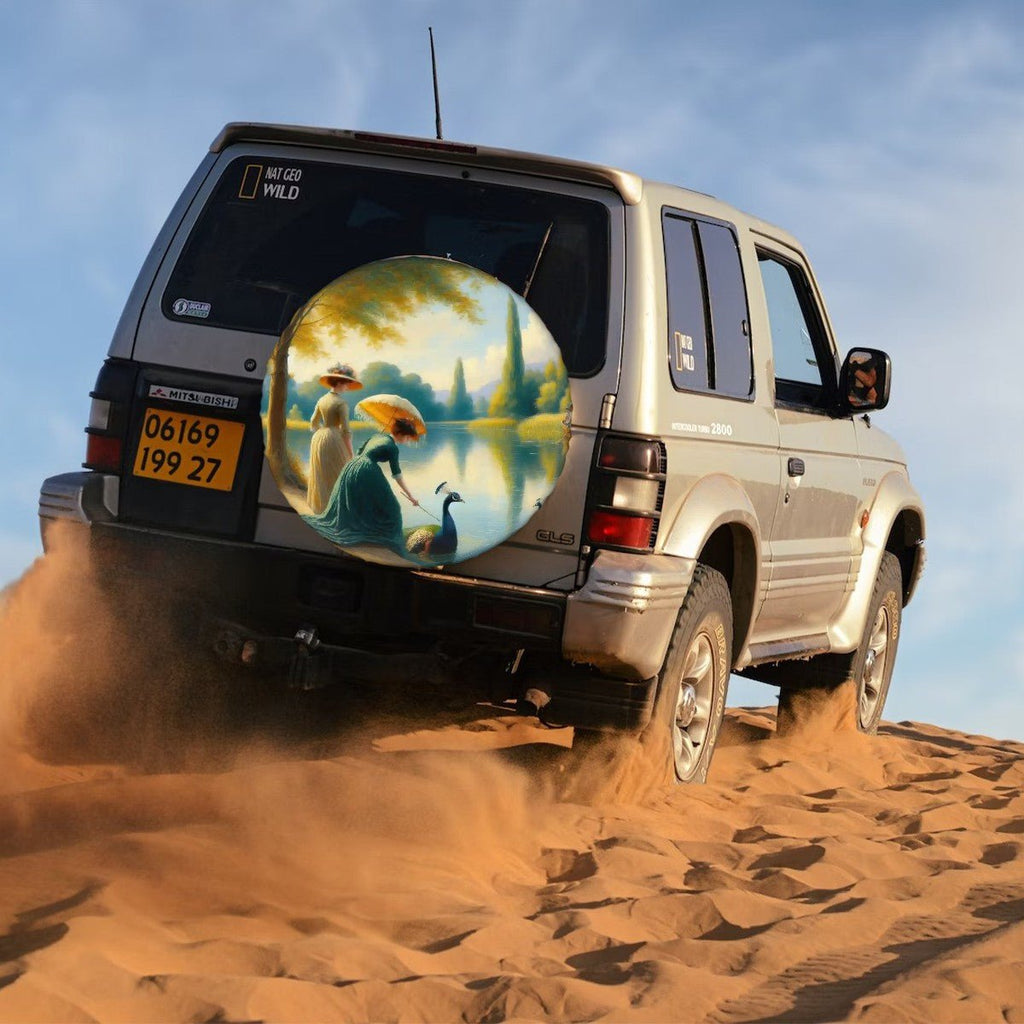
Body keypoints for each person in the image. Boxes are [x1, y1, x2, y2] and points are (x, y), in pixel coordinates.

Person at [303, 409, 422, 555]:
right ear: (402, 434)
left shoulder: (377, 436)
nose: (408, 441)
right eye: (408, 438)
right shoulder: (392, 448)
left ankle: (369, 535)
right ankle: (385, 543)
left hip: (352, 466)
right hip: (367, 469)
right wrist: (410, 496)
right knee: (393, 508)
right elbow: (396, 474)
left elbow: (359, 451)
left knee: (366, 501)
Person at [306, 364, 362, 514]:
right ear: (338, 383)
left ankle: (322, 509)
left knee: (323, 474)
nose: (347, 387)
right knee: (339, 473)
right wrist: (351, 454)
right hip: (334, 439)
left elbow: (313, 422)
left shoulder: (322, 399)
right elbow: (346, 431)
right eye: (346, 384)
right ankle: (336, 511)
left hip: (319, 438)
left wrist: (322, 433)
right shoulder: (341, 403)